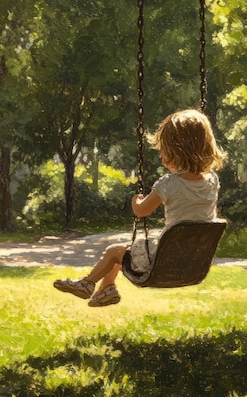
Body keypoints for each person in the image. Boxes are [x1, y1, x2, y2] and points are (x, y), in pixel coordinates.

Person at [54, 108, 225, 307]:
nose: (161, 156)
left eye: (164, 150)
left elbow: (141, 211)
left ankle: (87, 283)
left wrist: (136, 200)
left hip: (162, 262)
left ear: (177, 150)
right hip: (193, 261)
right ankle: (106, 289)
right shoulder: (213, 180)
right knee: (127, 250)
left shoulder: (168, 184)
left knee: (114, 251)